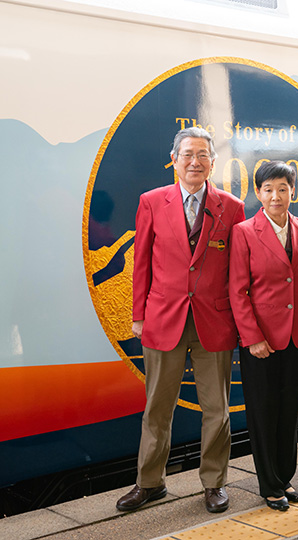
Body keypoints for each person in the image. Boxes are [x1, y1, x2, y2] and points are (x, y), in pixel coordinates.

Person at [117, 127, 245, 514]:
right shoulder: (152, 202)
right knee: (158, 407)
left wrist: (239, 323)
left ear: (213, 162)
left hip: (214, 322)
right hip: (162, 319)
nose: (195, 162)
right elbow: (141, 263)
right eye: (187, 154)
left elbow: (238, 272)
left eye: (203, 155)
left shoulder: (232, 207)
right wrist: (138, 315)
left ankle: (214, 483)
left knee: (216, 410)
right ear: (174, 159)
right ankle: (149, 483)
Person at [229, 160, 298, 511]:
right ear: (258, 193)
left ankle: (285, 477)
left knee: (289, 409)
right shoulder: (244, 232)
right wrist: (252, 336)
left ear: (293, 190)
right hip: (260, 340)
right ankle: (269, 485)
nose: (276, 196)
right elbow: (237, 291)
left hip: (295, 336)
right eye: (268, 189)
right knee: (263, 412)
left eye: (283, 188)